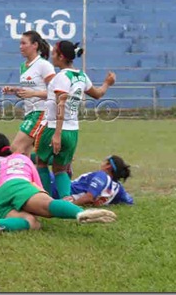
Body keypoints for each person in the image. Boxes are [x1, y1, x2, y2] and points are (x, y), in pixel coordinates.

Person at [0, 132, 117, 237]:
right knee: (46, 206)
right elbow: (36, 184)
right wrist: (40, 200)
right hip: (19, 185)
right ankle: (79, 213)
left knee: (32, 223)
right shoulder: (21, 159)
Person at [35, 41, 116, 200]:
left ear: (61, 56)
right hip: (72, 131)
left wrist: (57, 134)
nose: (52, 56)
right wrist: (107, 83)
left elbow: (61, 103)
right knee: (61, 169)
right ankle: (66, 201)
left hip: (53, 127)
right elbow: (98, 94)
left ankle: (46, 200)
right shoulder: (81, 76)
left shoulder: (61, 77)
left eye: (54, 53)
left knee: (41, 162)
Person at [2, 31, 55, 157]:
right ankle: (34, 173)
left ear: (35, 45)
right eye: (20, 43)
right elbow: (28, 92)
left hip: (41, 113)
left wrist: (33, 93)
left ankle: (61, 162)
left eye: (24, 43)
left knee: (16, 148)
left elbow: (56, 92)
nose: (20, 46)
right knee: (25, 153)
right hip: (29, 113)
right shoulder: (23, 66)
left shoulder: (44, 65)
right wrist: (15, 91)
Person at [50, 155, 134, 206]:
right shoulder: (118, 189)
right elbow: (129, 201)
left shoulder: (102, 175)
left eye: (105, 161)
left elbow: (89, 197)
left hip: (58, 189)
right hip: (63, 190)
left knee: (40, 166)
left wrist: (69, 206)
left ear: (108, 166)